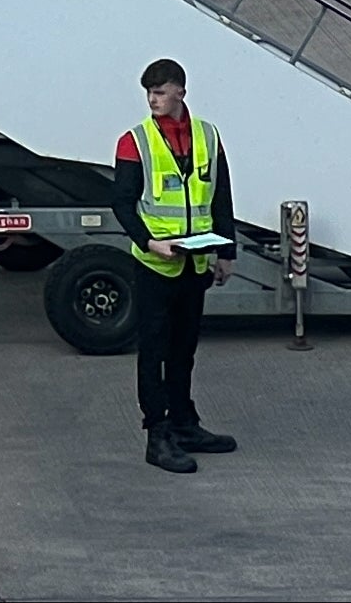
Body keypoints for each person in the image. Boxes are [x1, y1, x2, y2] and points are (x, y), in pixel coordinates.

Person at [117, 56, 238, 473]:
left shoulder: (207, 135)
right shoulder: (135, 141)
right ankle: (158, 434)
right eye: (149, 92)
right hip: (155, 265)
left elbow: (220, 197)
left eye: (161, 91)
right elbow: (121, 202)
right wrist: (148, 242)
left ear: (180, 92)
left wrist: (227, 252)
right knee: (153, 350)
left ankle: (185, 423)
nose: (153, 99)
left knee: (184, 348)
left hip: (196, 263)